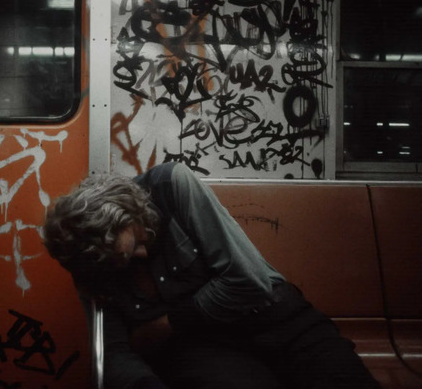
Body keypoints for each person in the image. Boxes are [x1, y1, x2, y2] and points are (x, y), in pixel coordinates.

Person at [43, 162, 380, 389]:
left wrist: (167, 323)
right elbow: (114, 353)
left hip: (276, 318)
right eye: (127, 261)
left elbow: (249, 282)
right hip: (201, 348)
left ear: (128, 211)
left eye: (138, 243)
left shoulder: (171, 185)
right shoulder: (86, 256)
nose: (143, 257)